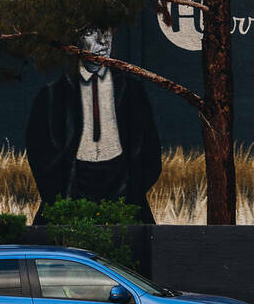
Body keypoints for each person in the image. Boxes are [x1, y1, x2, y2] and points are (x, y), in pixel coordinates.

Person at [26, 27, 162, 223]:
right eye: (92, 34)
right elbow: (38, 151)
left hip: (123, 188)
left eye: (107, 35)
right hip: (72, 186)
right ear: (76, 40)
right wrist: (58, 191)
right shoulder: (52, 95)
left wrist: (133, 187)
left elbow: (150, 147)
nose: (103, 44)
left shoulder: (132, 90)